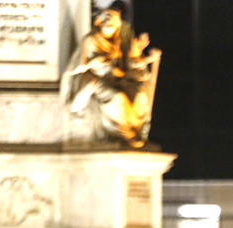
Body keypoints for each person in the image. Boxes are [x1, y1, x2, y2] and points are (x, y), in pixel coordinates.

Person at [63, 8, 160, 146]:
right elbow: (81, 65)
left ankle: (135, 128)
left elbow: (129, 64)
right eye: (107, 18)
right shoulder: (91, 39)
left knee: (141, 96)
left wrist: (141, 57)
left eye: (114, 20)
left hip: (115, 80)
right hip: (95, 80)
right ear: (98, 22)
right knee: (118, 98)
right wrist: (102, 65)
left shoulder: (118, 42)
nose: (110, 21)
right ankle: (124, 131)